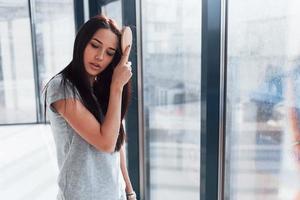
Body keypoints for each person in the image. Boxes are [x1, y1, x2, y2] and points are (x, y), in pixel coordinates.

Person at [43, 14, 137, 200]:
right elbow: (106, 143)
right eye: (95, 45)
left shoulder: (103, 88)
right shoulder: (61, 88)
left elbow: (116, 143)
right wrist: (117, 87)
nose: (100, 57)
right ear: (82, 42)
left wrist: (129, 191)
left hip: (114, 194)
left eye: (110, 53)